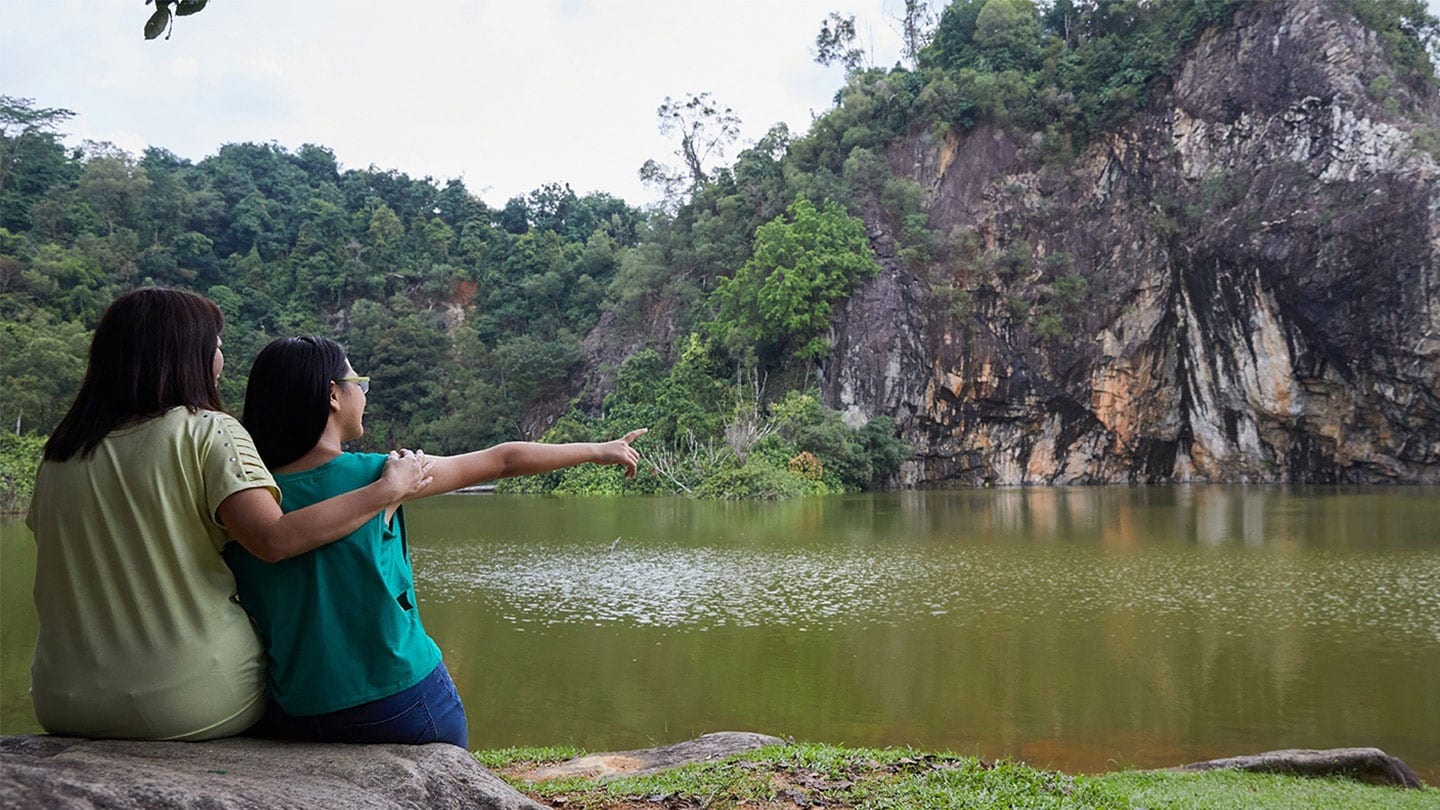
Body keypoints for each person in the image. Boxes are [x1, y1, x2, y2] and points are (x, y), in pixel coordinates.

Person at [25, 288, 435, 742]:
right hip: (190, 701)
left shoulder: (60, 453)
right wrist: (386, 490)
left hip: (62, 702)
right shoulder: (207, 430)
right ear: (186, 353)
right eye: (216, 345)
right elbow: (273, 539)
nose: (220, 357)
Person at [227, 335, 644, 748]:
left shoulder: (246, 499)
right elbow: (500, 460)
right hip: (398, 705)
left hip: (297, 712)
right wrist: (598, 450)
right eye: (360, 383)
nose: (364, 394)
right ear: (333, 395)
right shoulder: (384, 476)